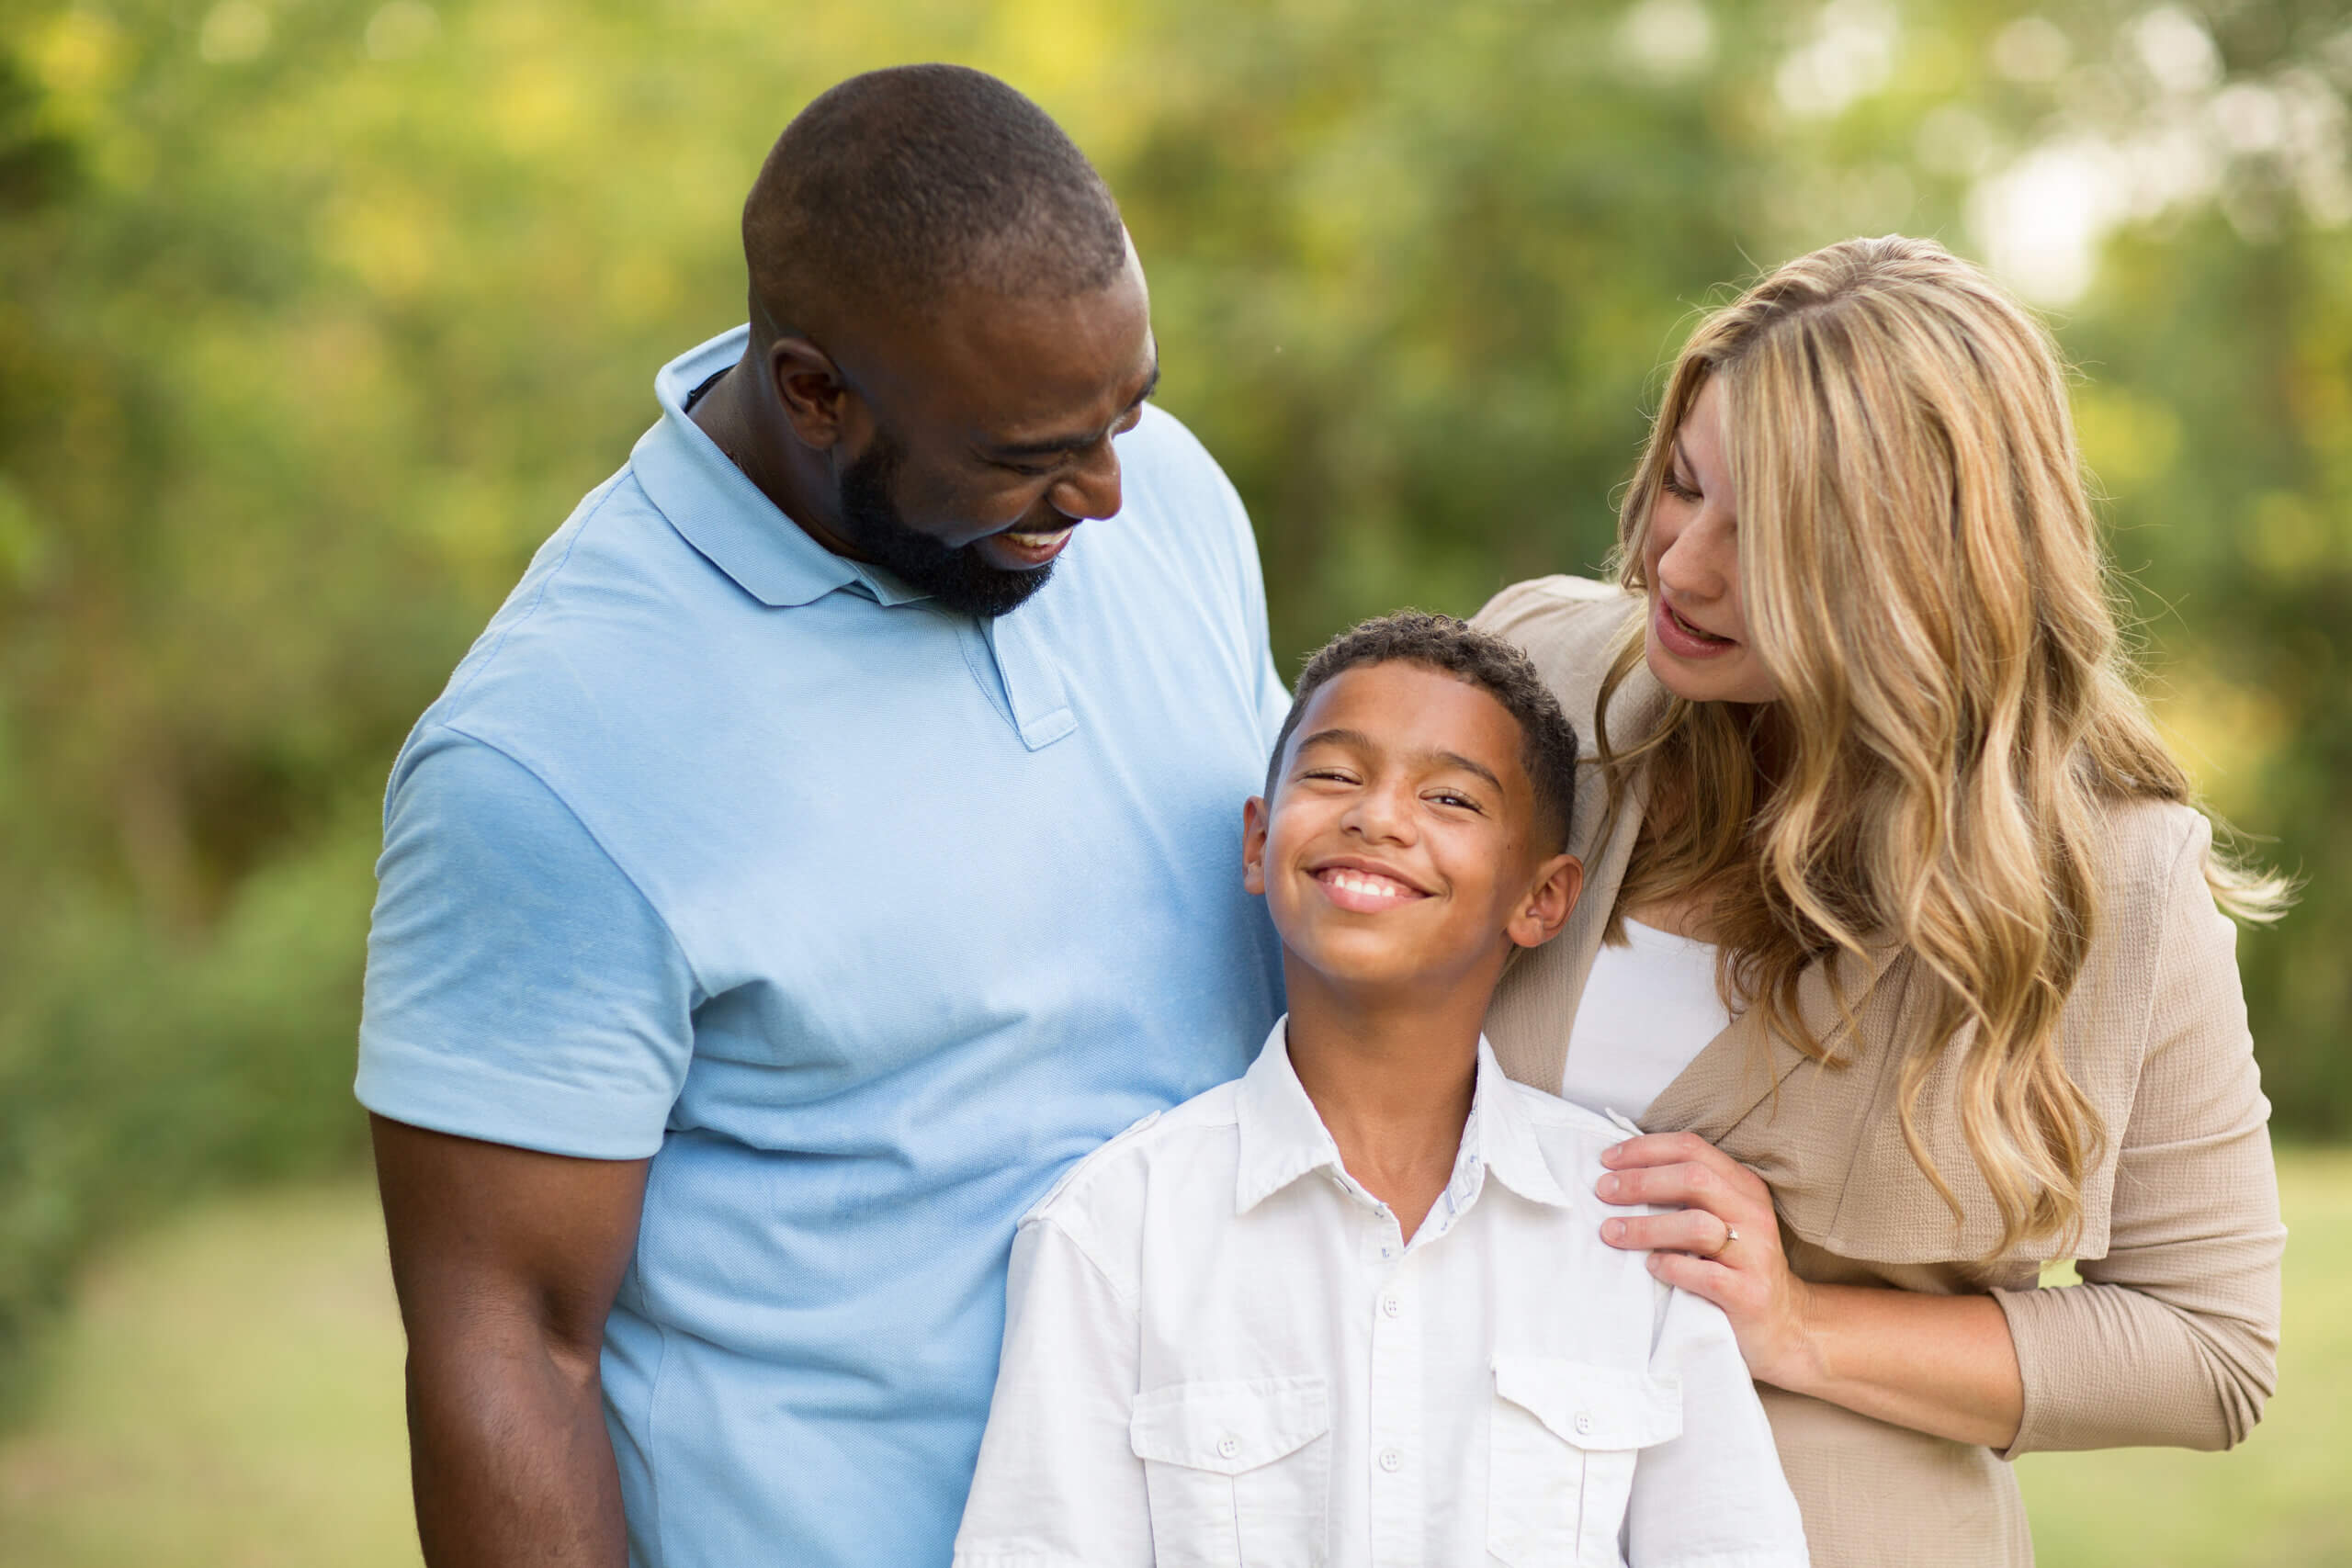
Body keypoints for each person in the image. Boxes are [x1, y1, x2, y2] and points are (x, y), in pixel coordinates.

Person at [357, 66, 1288, 1567]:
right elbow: (509, 1346)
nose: (1107, 492)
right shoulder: (547, 752)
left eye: (1130, 409)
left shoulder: (1161, 496)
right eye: (1027, 456)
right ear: (812, 392)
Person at [1474, 235, 2287, 1567]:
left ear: (1917, 570)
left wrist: (1796, 1319)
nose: (1681, 565)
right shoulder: (1538, 677)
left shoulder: (2117, 877)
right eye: (1684, 484)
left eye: (1768, 535)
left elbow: (2209, 1350)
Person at [953, 613, 1812, 1567]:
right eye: (1333, 775)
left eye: (1448, 797)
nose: (1379, 815)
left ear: (1542, 900)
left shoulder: (1632, 1227)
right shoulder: (1115, 1232)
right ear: (1258, 840)